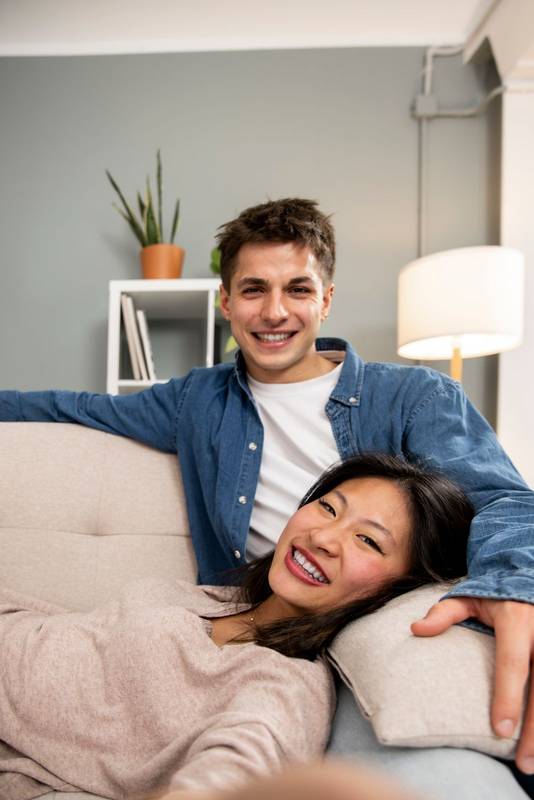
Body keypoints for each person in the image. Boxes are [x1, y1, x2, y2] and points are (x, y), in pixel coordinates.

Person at [1, 198, 534, 777]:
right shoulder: (197, 400)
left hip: (351, 634)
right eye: (254, 289)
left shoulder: (415, 397)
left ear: (325, 299)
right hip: (247, 635)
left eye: (298, 289)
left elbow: (503, 500)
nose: (275, 312)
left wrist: (513, 585)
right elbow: (76, 408)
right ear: (226, 302)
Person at [0, 454, 472, 800]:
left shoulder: (283, 684)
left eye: (367, 540)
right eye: (329, 508)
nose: (323, 537)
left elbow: (237, 765)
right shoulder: (216, 600)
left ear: (401, 588)